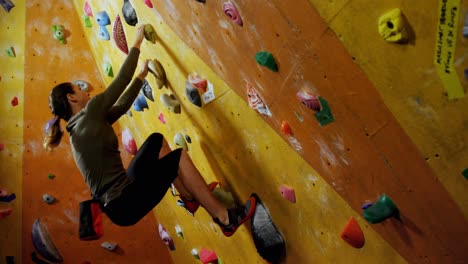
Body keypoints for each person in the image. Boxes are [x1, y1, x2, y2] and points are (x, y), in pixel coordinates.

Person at [43, 25, 256, 237]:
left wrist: (141, 77)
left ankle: (189, 197)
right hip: (123, 203)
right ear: (72, 98)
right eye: (79, 89)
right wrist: (136, 42)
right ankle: (225, 218)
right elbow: (121, 81)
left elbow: (121, 106)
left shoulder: (80, 127)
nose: (84, 90)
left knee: (156, 141)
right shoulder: (89, 114)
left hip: (119, 197)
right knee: (178, 157)